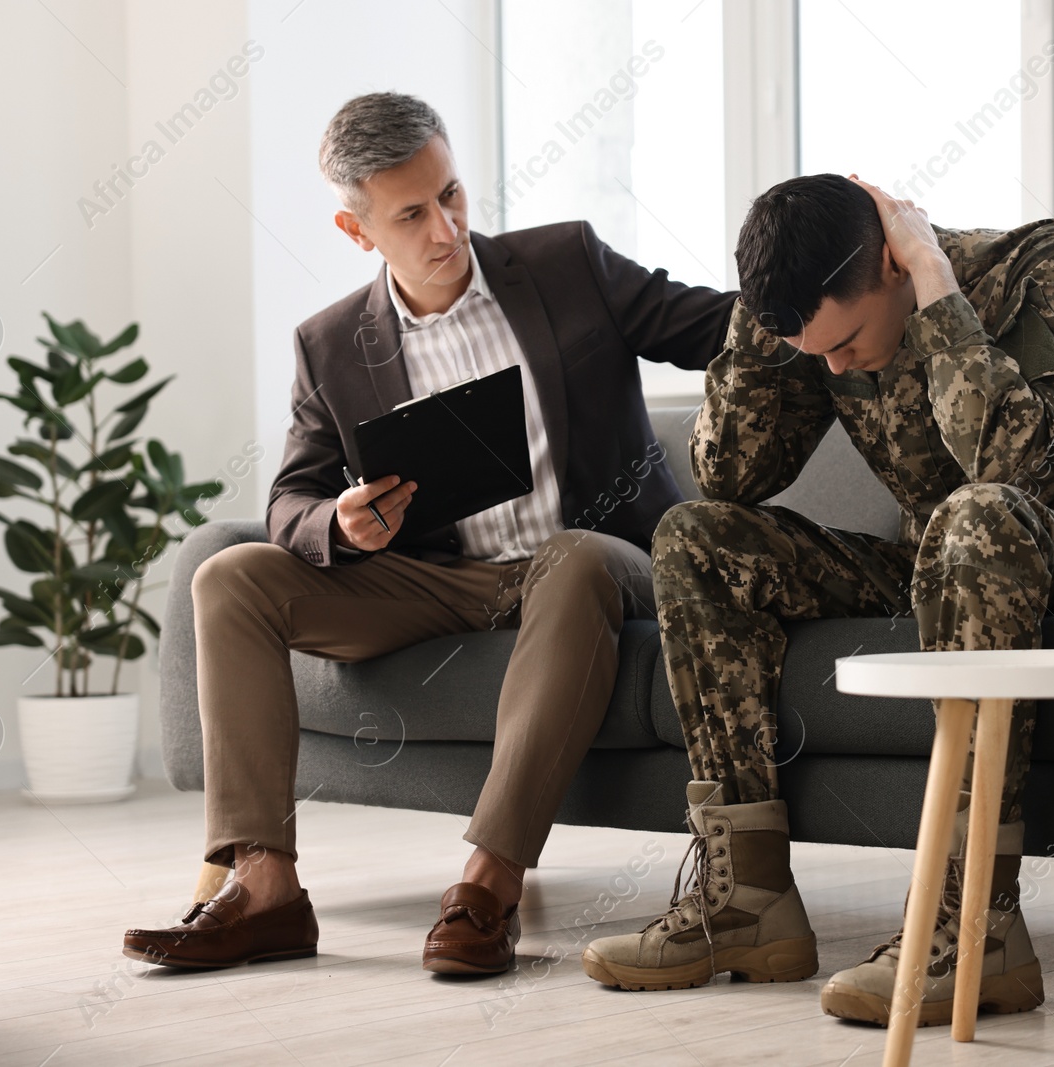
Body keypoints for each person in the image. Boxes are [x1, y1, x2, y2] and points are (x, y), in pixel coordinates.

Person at [121, 92, 735, 976]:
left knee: (570, 558)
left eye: (451, 195)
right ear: (356, 228)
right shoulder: (330, 343)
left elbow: (713, 325)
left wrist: (852, 288)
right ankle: (264, 890)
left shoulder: (565, 265)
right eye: (412, 214)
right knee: (229, 576)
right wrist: (339, 521)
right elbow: (290, 497)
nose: (447, 228)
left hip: (591, 561)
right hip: (439, 580)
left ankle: (488, 887)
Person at [582, 173, 1054, 1026]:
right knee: (695, 537)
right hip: (934, 570)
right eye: (816, 351)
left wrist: (935, 284)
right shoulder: (821, 333)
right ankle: (746, 902)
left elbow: (1004, 459)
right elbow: (728, 475)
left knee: (974, 516)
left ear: (894, 268)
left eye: (849, 341)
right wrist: (761, 329)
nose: (836, 366)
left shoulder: (1045, 263)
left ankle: (975, 923)